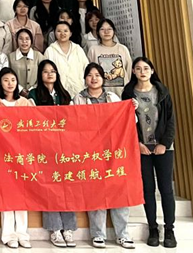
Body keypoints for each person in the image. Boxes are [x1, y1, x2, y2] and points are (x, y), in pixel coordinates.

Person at [72, 64, 135, 249]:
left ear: (103, 78)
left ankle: (123, 234)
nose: (94, 78)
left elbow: (128, 121)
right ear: (85, 78)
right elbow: (72, 123)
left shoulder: (112, 97)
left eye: (97, 75)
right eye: (90, 75)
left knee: (118, 190)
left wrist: (131, 109)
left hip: (112, 150)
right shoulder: (78, 98)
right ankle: (98, 234)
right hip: (90, 152)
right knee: (96, 191)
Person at [122, 57, 177, 249]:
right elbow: (125, 121)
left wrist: (165, 143)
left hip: (163, 148)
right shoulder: (128, 93)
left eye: (146, 68)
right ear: (133, 72)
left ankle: (169, 229)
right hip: (141, 148)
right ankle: (153, 228)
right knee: (147, 189)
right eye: (138, 68)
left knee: (166, 189)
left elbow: (170, 120)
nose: (142, 71)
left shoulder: (162, 91)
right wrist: (137, 143)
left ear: (152, 71)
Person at [27, 60, 76, 247]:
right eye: (45, 71)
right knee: (50, 187)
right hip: (44, 147)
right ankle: (55, 229)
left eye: (53, 71)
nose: (49, 74)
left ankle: (68, 228)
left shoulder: (65, 95)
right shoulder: (33, 95)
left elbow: (73, 120)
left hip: (65, 147)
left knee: (67, 187)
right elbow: (32, 119)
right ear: (40, 75)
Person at [0, 68, 34, 249]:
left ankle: (23, 234)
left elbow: (32, 126)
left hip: (22, 154)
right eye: (5, 80)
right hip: (2, 155)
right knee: (6, 193)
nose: (10, 83)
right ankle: (8, 235)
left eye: (13, 80)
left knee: (22, 193)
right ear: (0, 82)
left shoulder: (25, 102)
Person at [44, 21, 89, 94]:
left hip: (79, 90)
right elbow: (45, 72)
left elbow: (86, 68)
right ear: (54, 33)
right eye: (59, 31)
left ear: (70, 33)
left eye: (65, 31)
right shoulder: (50, 51)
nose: (62, 33)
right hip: (58, 92)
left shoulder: (78, 49)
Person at [88, 18, 133, 90]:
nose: (106, 32)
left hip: (122, 91)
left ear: (114, 31)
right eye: (102, 29)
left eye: (109, 29)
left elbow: (128, 70)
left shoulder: (122, 48)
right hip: (101, 92)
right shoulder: (93, 50)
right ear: (97, 32)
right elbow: (89, 71)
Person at [9, 29, 44, 97]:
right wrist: (20, 89)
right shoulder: (10, 57)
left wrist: (32, 90)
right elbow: (8, 76)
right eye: (21, 39)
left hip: (36, 93)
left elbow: (43, 75)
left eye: (27, 39)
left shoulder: (39, 56)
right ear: (16, 41)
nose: (24, 41)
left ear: (31, 41)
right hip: (15, 93)